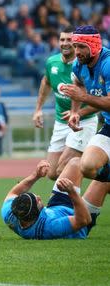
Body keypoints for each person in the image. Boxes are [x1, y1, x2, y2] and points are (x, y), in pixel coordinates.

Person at [32, 26, 98, 180]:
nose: (65, 43)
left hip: (83, 122)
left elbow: (98, 98)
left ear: (76, 43)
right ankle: (94, 165)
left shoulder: (85, 65)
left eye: (70, 40)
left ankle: (75, 200)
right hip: (61, 121)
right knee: (52, 173)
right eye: (62, 39)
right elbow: (46, 82)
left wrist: (78, 113)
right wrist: (38, 109)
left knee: (64, 170)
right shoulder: (51, 62)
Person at [61, 25, 110, 182]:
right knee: (87, 166)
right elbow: (78, 84)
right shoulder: (79, 64)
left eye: (82, 46)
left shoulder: (108, 64)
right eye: (75, 46)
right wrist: (76, 113)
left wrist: (82, 97)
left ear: (94, 46)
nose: (76, 51)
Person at [1, 158, 92, 239]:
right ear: (37, 213)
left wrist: (36, 175)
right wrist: (72, 192)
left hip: (57, 207)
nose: (39, 197)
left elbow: (14, 193)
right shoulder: (48, 227)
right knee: (104, 183)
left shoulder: (11, 214)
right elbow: (84, 220)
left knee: (75, 163)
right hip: (81, 219)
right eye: (38, 201)